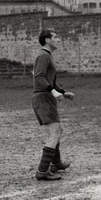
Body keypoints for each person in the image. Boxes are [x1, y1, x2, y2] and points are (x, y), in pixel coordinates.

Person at [32, 28, 74, 180]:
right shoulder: (44, 55)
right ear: (47, 40)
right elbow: (39, 77)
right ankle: (42, 171)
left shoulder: (47, 55)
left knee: (58, 130)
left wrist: (62, 92)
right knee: (54, 133)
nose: (58, 39)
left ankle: (56, 163)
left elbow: (50, 81)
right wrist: (52, 91)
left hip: (45, 97)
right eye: (55, 37)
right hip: (43, 98)